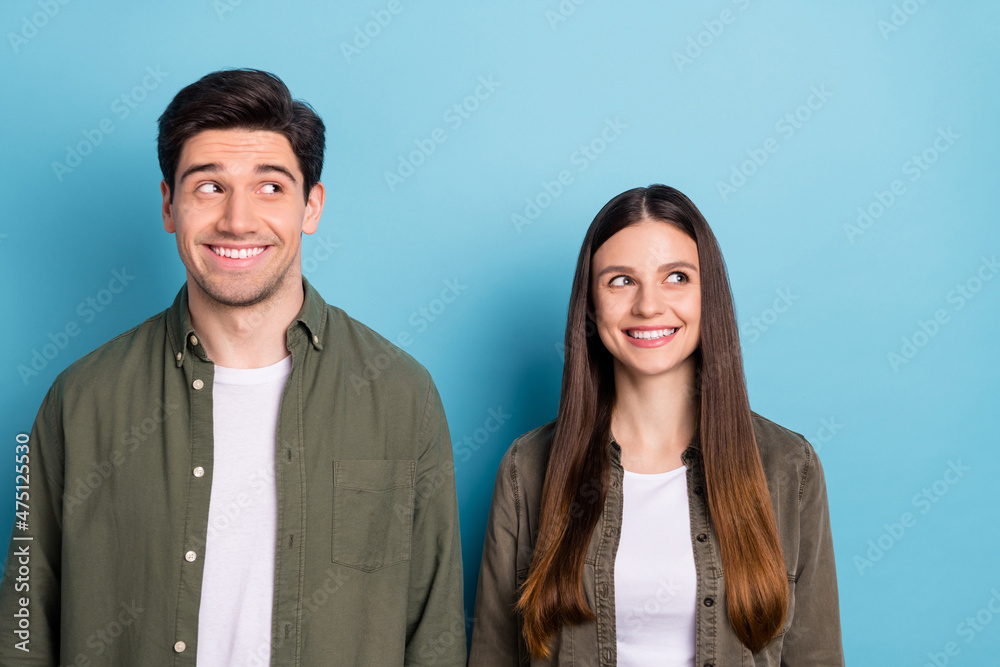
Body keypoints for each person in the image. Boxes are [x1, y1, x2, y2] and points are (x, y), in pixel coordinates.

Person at [0, 69, 466, 666]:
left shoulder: (402, 395)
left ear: (312, 206)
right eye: (209, 187)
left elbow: (436, 635)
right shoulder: (81, 398)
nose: (238, 220)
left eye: (270, 187)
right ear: (170, 205)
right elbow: (22, 624)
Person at [469, 185, 843, 665]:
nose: (648, 306)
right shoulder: (528, 468)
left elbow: (816, 656)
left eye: (677, 277)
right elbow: (494, 656)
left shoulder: (790, 467)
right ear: (590, 304)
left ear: (710, 296)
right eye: (621, 280)